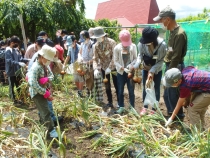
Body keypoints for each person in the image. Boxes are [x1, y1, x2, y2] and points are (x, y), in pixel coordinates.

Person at [153, 6, 187, 120]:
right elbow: (170, 51)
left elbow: (176, 56)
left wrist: (169, 73)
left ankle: (178, 117)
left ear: (168, 19)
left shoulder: (179, 34)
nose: (161, 22)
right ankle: (171, 114)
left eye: (162, 20)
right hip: (169, 66)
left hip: (175, 67)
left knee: (173, 94)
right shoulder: (172, 32)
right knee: (167, 94)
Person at [134, 27, 167, 115]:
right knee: (146, 88)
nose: (145, 42)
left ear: (153, 39)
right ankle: (145, 108)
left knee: (156, 89)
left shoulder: (162, 45)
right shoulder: (141, 44)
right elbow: (140, 55)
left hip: (157, 70)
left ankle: (153, 109)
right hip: (146, 68)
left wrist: (152, 71)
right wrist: (136, 64)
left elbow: (161, 61)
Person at [27, 45, 58, 138]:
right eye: (47, 59)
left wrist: (46, 79)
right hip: (37, 93)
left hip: (44, 90)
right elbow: (32, 83)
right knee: (46, 111)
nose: (48, 61)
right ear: (41, 56)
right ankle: (51, 130)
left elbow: (52, 76)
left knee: (43, 110)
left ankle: (43, 125)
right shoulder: (35, 67)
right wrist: (44, 92)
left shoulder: (45, 66)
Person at [92, 27, 119, 109]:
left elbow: (115, 56)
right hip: (104, 67)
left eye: (99, 37)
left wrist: (110, 67)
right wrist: (96, 68)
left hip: (113, 67)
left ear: (103, 35)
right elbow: (95, 59)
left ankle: (119, 101)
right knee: (107, 85)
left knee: (116, 84)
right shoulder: (96, 46)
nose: (98, 39)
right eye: (96, 37)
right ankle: (110, 102)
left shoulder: (111, 42)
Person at [114, 30, 137, 114]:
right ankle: (121, 106)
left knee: (131, 90)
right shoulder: (117, 48)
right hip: (120, 73)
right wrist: (122, 68)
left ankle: (132, 107)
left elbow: (135, 58)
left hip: (130, 72)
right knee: (120, 90)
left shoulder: (133, 46)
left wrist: (131, 65)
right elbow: (115, 61)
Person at [5, 36, 27, 105]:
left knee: (19, 86)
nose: (17, 45)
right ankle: (13, 100)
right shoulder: (8, 50)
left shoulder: (16, 50)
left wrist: (28, 60)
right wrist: (18, 63)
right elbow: (9, 61)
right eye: (16, 44)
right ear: (12, 43)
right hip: (11, 72)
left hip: (17, 72)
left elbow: (20, 59)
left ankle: (20, 99)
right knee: (11, 87)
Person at [79, 30, 94, 97]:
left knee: (91, 81)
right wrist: (80, 57)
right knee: (85, 80)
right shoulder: (82, 44)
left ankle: (92, 96)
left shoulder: (92, 45)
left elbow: (95, 57)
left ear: (87, 37)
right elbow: (80, 53)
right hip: (84, 65)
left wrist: (88, 62)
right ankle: (88, 96)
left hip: (91, 65)